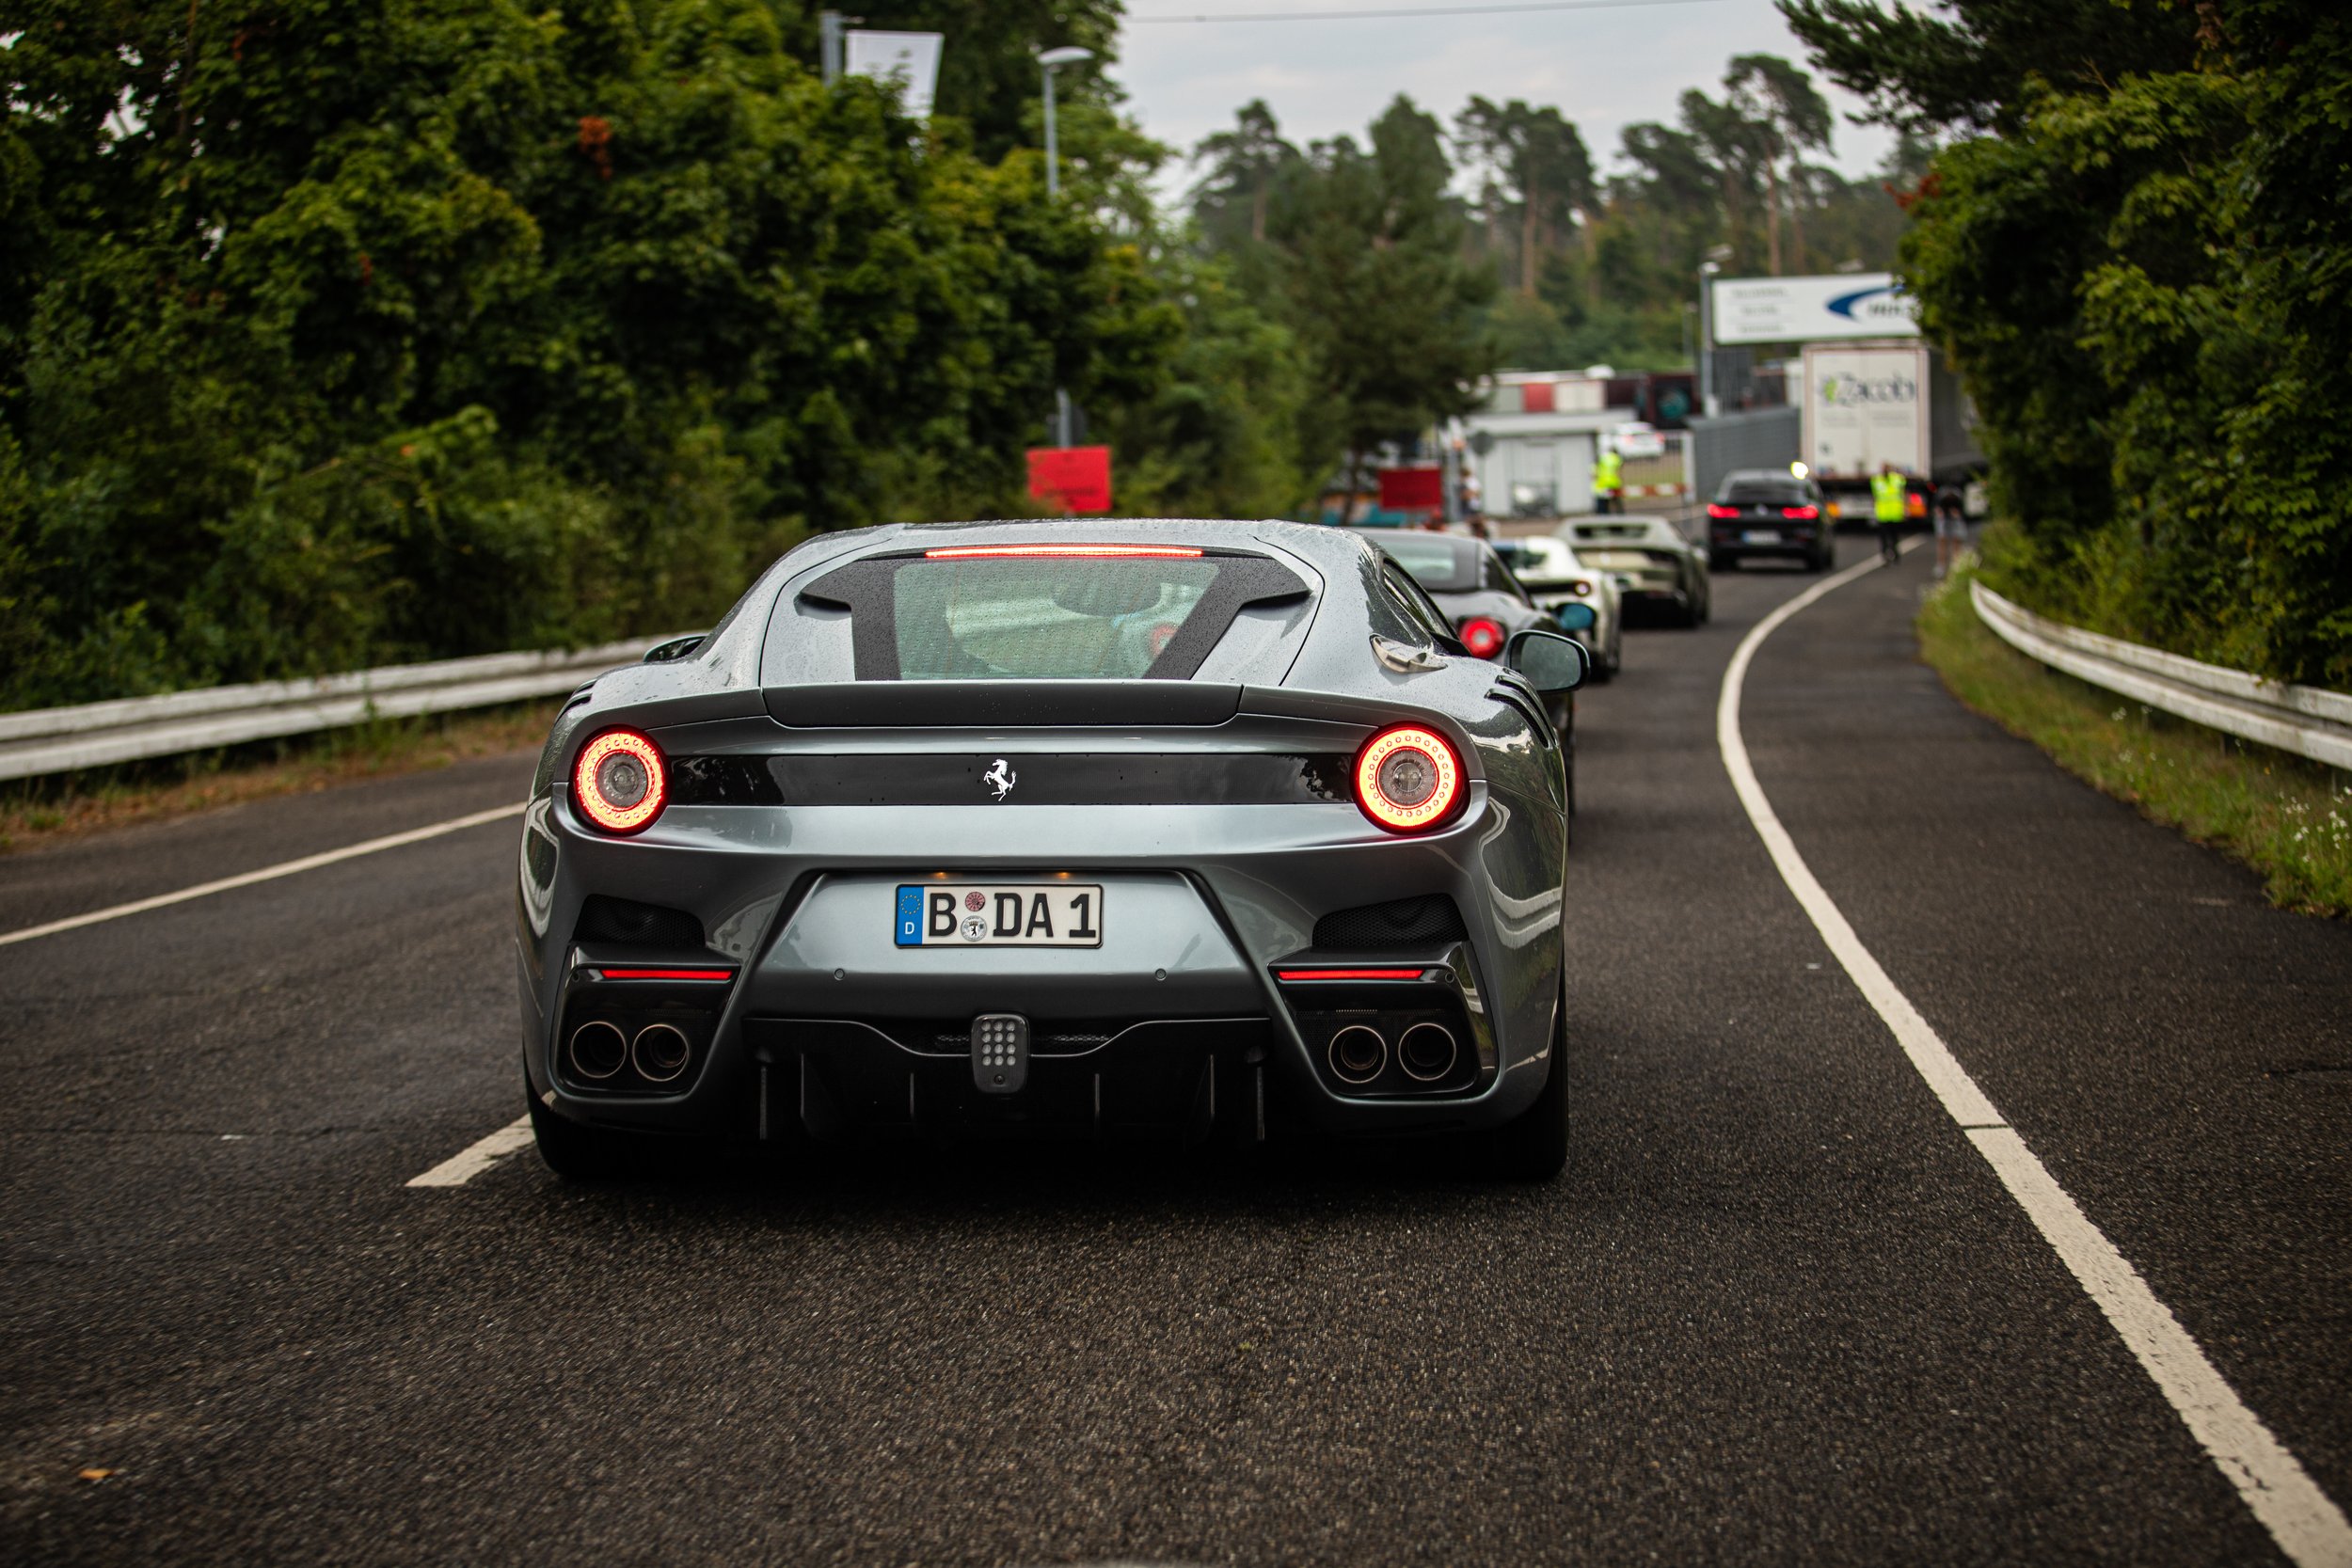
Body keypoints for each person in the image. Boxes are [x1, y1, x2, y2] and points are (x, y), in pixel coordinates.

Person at [1870, 463, 1907, 566]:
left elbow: (1902, 493)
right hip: (1882, 514)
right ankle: (1885, 555)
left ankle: (1895, 553)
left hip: (1895, 514)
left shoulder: (1897, 479)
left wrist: (1904, 508)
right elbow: (1875, 496)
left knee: (1894, 536)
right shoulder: (1876, 481)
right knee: (1884, 538)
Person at [1932, 479, 1968, 578]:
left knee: (1956, 541)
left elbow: (1962, 513)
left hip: (1955, 519)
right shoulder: (1941, 497)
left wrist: (1956, 514)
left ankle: (1956, 567)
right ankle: (1941, 566)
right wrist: (1940, 513)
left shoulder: (1958, 497)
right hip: (1943, 518)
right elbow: (1937, 510)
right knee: (1942, 540)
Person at [1592, 446, 1624, 515]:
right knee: (1616, 502)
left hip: (1603, 484)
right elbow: (1618, 472)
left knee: (1604, 503)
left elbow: (1595, 472)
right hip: (1614, 483)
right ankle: (1620, 517)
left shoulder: (1602, 458)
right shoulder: (1616, 458)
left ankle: (1604, 517)